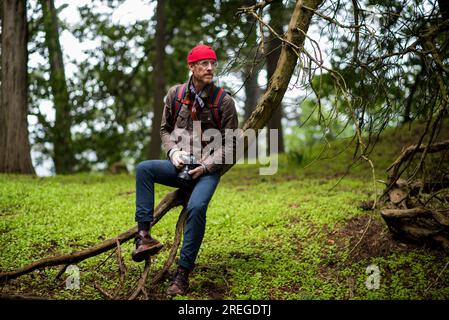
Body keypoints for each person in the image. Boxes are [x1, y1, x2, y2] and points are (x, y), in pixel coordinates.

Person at [132, 44, 238, 296]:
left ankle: (182, 274)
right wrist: (172, 153)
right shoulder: (175, 94)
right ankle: (144, 235)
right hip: (179, 165)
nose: (210, 68)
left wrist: (205, 166)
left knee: (197, 207)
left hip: (207, 170)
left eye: (213, 63)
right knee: (144, 169)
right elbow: (164, 130)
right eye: (204, 63)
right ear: (191, 67)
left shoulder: (224, 101)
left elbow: (232, 143)